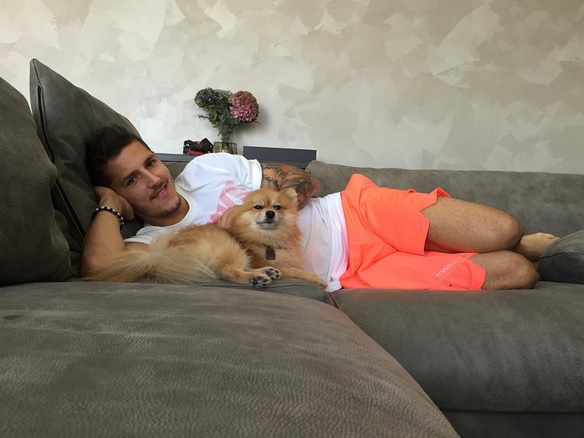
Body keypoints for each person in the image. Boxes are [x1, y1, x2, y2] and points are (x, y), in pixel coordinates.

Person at [81, 124, 558, 292]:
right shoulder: (153, 241)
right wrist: (108, 207)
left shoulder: (207, 168)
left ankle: (523, 243)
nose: (154, 179)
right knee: (517, 272)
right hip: (350, 274)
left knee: (502, 230)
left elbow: (301, 178)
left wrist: (251, 210)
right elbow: (100, 268)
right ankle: (525, 255)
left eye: (150, 162)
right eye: (131, 180)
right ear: (119, 192)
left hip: (354, 213)